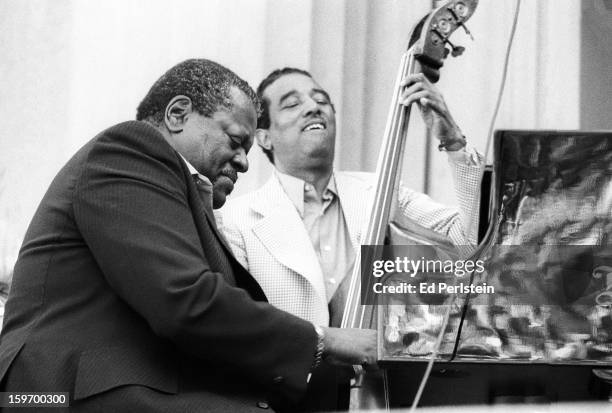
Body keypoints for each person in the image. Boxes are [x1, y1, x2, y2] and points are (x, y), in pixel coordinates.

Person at [0, 59, 376, 412]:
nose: (245, 162)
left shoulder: (190, 201)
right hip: (63, 392)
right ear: (178, 115)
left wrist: (336, 378)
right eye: (234, 140)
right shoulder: (129, 149)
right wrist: (328, 341)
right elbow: (186, 301)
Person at [221, 67, 483, 328]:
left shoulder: (385, 192)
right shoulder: (236, 219)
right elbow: (241, 324)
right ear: (264, 138)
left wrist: (453, 141)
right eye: (292, 104)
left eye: (322, 100)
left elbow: (471, 242)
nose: (313, 106)